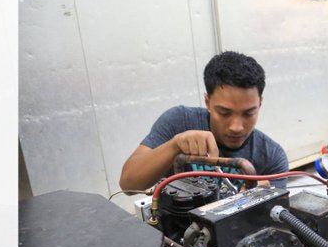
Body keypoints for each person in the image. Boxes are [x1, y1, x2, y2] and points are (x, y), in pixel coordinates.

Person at [120, 51, 289, 190]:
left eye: (248, 114)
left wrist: (261, 200)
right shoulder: (179, 122)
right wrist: (174, 146)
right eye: (224, 113)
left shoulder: (271, 157)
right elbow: (128, 185)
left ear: (260, 103)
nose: (236, 127)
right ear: (208, 102)